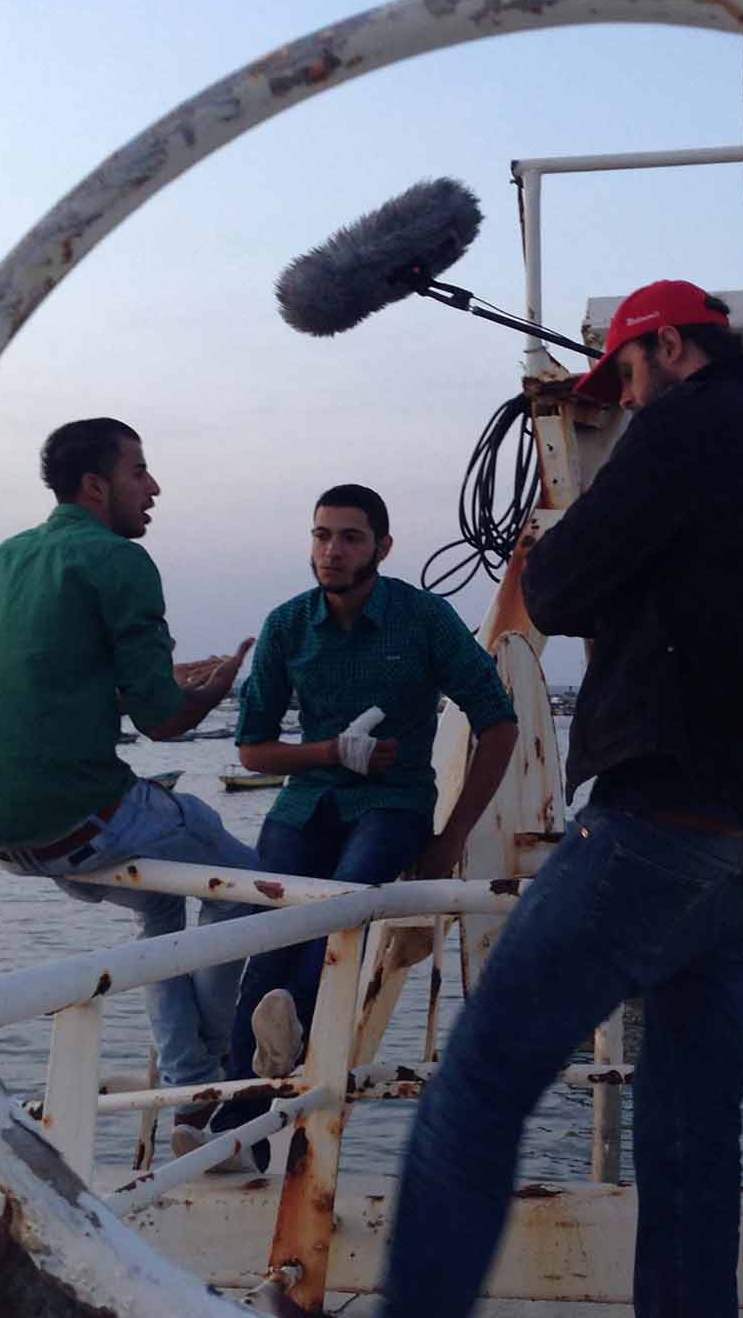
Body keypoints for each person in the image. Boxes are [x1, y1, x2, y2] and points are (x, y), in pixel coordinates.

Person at [382, 280, 743, 1317]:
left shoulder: (681, 429)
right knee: (688, 1139)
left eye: (626, 377)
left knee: (480, 1083)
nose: (623, 404)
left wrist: (540, 564)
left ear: (671, 349)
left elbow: (557, 588)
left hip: (654, 829)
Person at [0, 417, 262, 1132]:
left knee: (160, 909)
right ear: (96, 484)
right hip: (80, 822)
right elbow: (164, 723)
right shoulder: (119, 560)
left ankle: (185, 1100)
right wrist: (213, 687)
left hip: (0, 837)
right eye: (139, 471)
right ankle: (206, 1073)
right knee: (247, 889)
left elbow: (48, 689)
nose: (153, 488)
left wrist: (158, 685)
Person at [200, 484, 518, 1166]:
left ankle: (253, 1102)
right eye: (322, 536)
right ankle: (241, 1120)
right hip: (306, 800)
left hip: (394, 804)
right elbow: (253, 749)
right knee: (273, 928)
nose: (332, 550)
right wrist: (330, 754)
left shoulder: (424, 619)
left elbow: (498, 722)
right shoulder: (289, 624)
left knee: (341, 907)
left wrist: (453, 836)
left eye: (349, 537)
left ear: (382, 546)